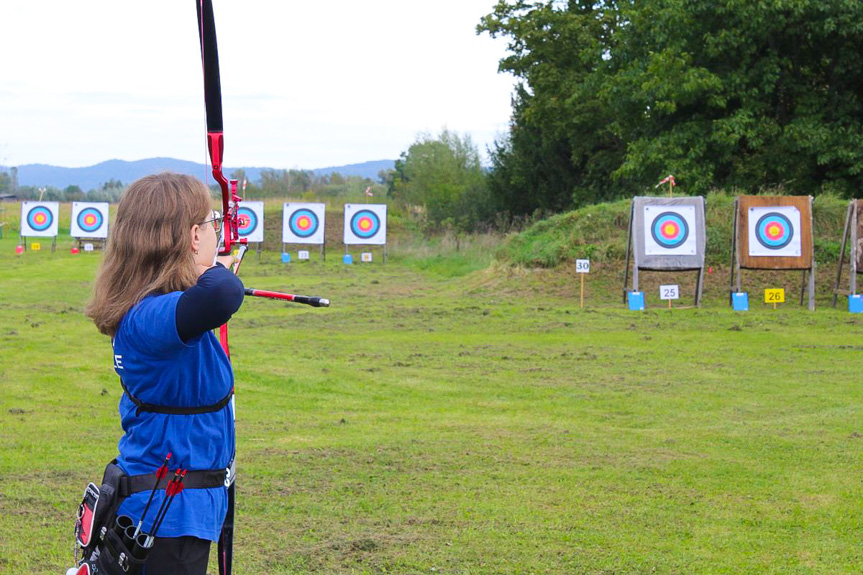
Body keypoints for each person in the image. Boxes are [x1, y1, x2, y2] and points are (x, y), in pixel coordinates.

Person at [85, 172, 243, 574]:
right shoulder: (151, 317)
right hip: (166, 518)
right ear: (192, 237)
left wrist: (209, 271)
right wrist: (214, 270)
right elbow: (222, 293)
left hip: (173, 508)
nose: (216, 233)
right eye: (211, 224)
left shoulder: (157, 309)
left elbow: (211, 298)